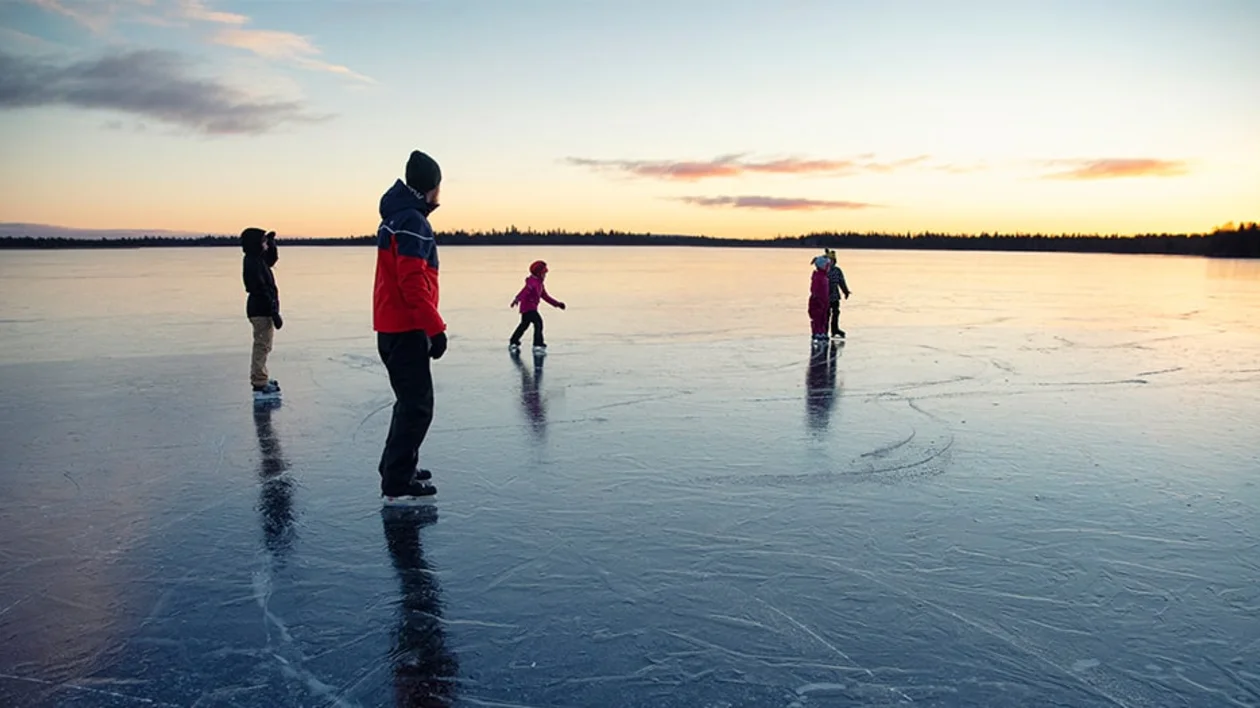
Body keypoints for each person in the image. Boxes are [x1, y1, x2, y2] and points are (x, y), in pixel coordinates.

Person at [374, 150, 447, 503]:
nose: (440, 194)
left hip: (391, 327)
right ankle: (397, 482)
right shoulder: (413, 222)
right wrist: (434, 328)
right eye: (438, 186)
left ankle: (396, 466)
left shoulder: (396, 217)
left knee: (408, 402)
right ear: (428, 188)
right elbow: (412, 283)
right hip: (405, 328)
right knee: (418, 406)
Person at [241, 227, 283, 399]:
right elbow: (261, 289)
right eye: (264, 242)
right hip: (260, 310)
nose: (265, 244)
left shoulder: (257, 260)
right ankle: (259, 382)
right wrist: (274, 313)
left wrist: (272, 245)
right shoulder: (252, 262)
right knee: (261, 345)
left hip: (262, 309)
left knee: (265, 345)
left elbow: (270, 260)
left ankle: (261, 377)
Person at [508, 260, 565, 354]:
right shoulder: (532, 282)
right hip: (528, 308)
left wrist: (557, 304)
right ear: (539, 273)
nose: (545, 275)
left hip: (530, 308)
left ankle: (514, 341)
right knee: (538, 323)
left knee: (524, 325)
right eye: (544, 273)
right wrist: (517, 299)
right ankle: (537, 344)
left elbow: (545, 296)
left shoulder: (540, 284)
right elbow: (525, 291)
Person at [824, 249, 852, 338]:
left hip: (835, 296)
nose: (830, 263)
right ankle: (824, 330)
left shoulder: (837, 270)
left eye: (832, 261)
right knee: (826, 314)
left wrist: (845, 291)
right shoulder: (823, 270)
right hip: (824, 297)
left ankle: (835, 329)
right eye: (828, 261)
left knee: (836, 313)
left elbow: (841, 281)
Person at [808, 255, 830, 345]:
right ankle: (817, 332)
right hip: (817, 301)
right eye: (827, 266)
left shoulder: (824, 277)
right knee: (817, 317)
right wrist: (816, 298)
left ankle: (822, 331)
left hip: (824, 300)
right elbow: (814, 289)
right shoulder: (818, 277)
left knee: (823, 317)